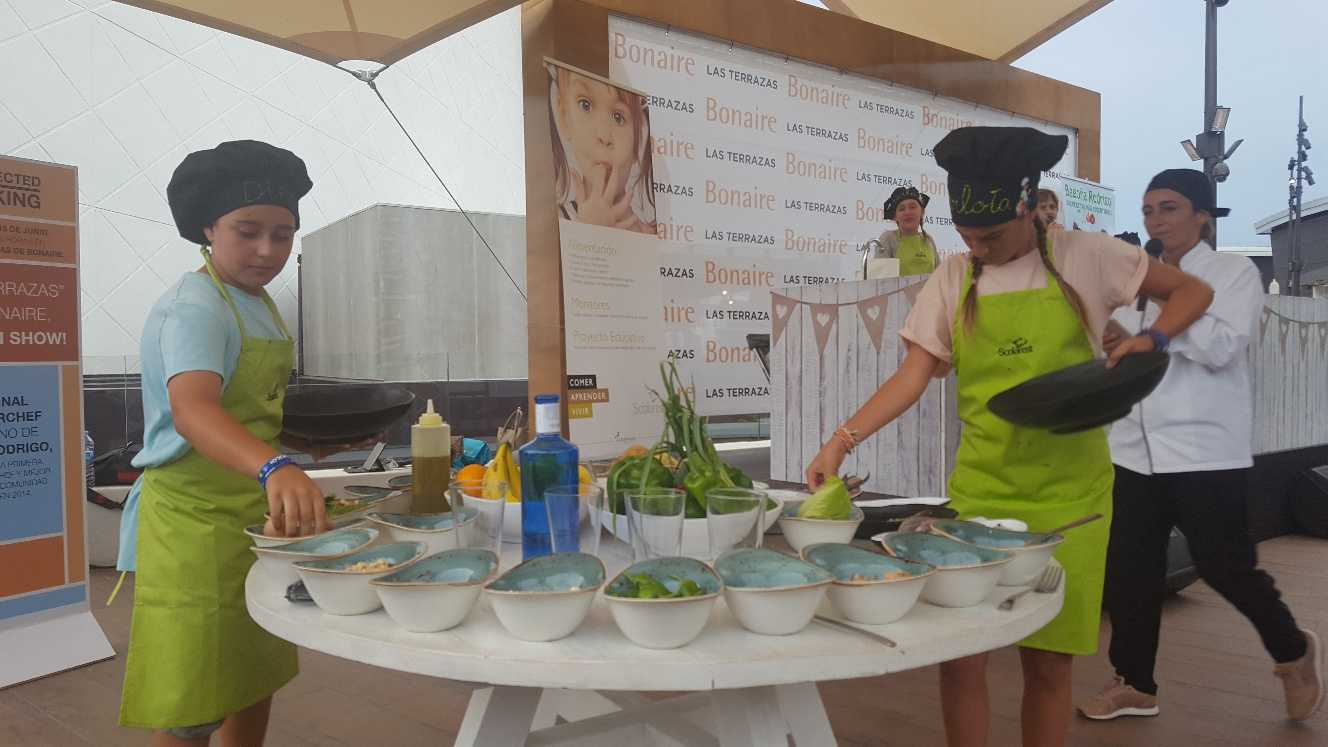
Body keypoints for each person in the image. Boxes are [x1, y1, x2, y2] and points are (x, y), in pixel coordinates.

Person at [806, 127, 1214, 747]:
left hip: (1071, 501)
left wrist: (1151, 338)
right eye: (968, 237)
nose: (979, 249)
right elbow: (913, 376)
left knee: (1048, 664)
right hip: (979, 499)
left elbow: (1192, 291)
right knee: (962, 657)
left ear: (1027, 206)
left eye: (991, 236)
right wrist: (840, 441)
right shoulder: (953, 276)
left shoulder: (1087, 254)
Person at [1079, 168, 1324, 723]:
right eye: (1147, 211)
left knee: (1226, 566)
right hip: (1132, 450)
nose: (1156, 220)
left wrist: (1166, 319)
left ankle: (1293, 651)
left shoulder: (1234, 273)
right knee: (1130, 571)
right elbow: (1123, 353)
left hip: (1204, 450)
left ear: (1202, 215)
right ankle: (1135, 683)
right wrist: (1114, 341)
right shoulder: (1138, 278)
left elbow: (1220, 346)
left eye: (1168, 208)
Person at [116, 140, 338, 746]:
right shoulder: (195, 307)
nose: (267, 250)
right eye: (248, 231)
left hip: (252, 512)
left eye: (282, 233)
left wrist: (296, 446)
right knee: (192, 699)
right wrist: (274, 465)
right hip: (192, 522)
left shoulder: (258, 303)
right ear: (208, 227)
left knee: (251, 671)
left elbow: (251, 412)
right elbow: (193, 411)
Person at [548, 61, 656, 235]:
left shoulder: (649, 235)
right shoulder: (556, 222)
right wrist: (592, 232)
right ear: (563, 116)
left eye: (618, 117)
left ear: (639, 136)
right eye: (586, 105)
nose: (604, 135)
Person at [872, 185, 940, 276]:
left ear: (922, 212)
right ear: (895, 217)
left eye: (912, 207)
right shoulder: (888, 239)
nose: (907, 212)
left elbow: (940, 276)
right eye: (901, 209)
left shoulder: (928, 239)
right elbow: (880, 280)